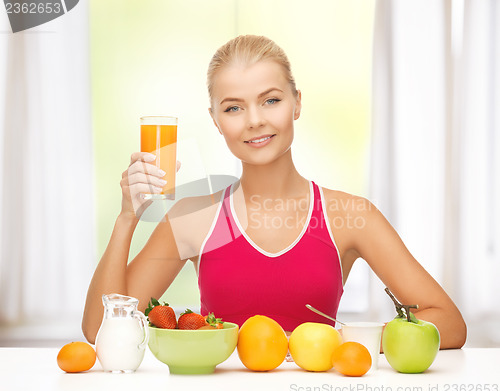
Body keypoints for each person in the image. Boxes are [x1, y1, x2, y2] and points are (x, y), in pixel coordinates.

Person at [82, 35, 466, 348]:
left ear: (297, 103)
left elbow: (447, 322)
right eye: (233, 108)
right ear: (216, 121)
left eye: (271, 100)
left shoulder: (351, 215)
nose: (255, 120)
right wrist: (127, 217)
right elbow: (99, 329)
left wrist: (342, 341)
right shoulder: (193, 218)